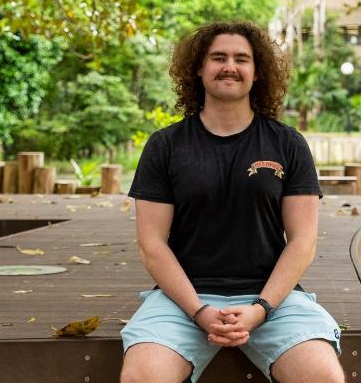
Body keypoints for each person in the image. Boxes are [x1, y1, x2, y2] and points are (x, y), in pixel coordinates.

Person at [120, 22, 344, 383]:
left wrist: (261, 309)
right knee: (141, 379)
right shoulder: (165, 146)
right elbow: (151, 245)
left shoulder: (288, 144)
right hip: (183, 300)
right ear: (198, 68)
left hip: (272, 299)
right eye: (218, 57)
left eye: (242, 59)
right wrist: (199, 310)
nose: (230, 66)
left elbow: (303, 241)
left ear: (257, 73)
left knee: (323, 378)